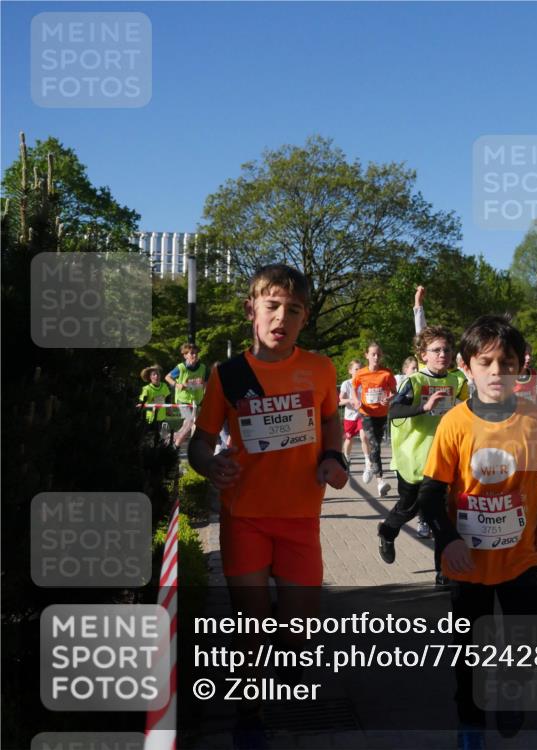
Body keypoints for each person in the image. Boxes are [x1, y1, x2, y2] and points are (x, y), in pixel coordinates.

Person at [187, 264, 348, 745]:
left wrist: (334, 457)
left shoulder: (321, 368)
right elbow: (201, 441)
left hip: (301, 518)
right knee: (249, 621)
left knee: (298, 630)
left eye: (293, 309)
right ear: (251, 310)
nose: (282, 316)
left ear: (304, 318)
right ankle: (250, 708)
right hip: (245, 518)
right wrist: (209, 467)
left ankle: (286, 651)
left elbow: (333, 421)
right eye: (272, 305)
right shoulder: (228, 375)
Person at [418, 315, 537, 747]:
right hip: (468, 561)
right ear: (466, 367)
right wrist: (447, 540)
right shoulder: (454, 423)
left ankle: (513, 688)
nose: (496, 372)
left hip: (522, 556)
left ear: (519, 367)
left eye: (505, 363)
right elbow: (430, 494)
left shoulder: (534, 418)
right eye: (486, 362)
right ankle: (469, 723)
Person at [378, 325, 468, 582]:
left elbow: (466, 408)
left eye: (447, 349)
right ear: (423, 354)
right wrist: (424, 407)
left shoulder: (458, 380)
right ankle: (387, 531)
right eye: (436, 350)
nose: (443, 354)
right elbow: (393, 411)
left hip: (444, 458)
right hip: (413, 458)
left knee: (439, 513)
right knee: (409, 508)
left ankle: (443, 571)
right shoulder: (414, 381)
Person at [351, 342, 396, 496]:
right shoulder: (361, 373)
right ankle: (380, 481)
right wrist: (356, 400)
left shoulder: (387, 373)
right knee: (375, 445)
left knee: (376, 445)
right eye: (373, 354)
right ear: (367, 356)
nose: (376, 357)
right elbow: (353, 389)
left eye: (378, 354)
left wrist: (389, 399)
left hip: (382, 414)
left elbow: (394, 392)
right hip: (366, 413)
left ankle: (370, 464)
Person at [166, 342, 207, 448]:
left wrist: (204, 384)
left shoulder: (202, 367)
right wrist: (177, 384)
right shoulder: (181, 368)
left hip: (196, 400)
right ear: (185, 355)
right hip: (182, 400)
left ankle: (171, 439)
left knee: (190, 424)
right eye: (192, 353)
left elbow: (207, 382)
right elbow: (167, 377)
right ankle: (176, 446)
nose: (195, 355)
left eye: (196, 353)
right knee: (190, 421)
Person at [339, 359, 369, 467]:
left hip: (362, 415)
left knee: (364, 436)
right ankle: (346, 456)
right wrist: (349, 400)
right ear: (350, 371)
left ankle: (367, 461)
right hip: (350, 417)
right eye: (356, 369)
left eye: (360, 369)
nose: (359, 371)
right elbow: (340, 400)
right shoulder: (346, 384)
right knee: (348, 439)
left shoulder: (364, 383)